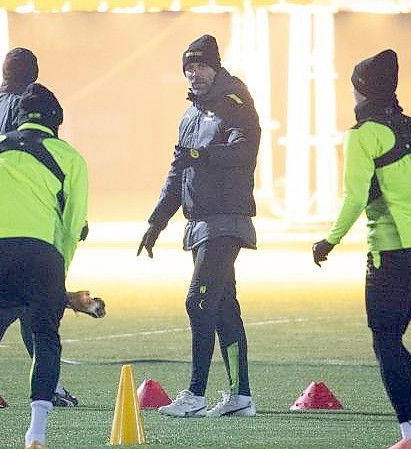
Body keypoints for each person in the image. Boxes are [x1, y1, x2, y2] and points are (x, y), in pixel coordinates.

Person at [312, 49, 411, 449]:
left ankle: (410, 434)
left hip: (388, 254)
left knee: (385, 342)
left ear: (361, 90)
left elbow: (355, 198)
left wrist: (330, 239)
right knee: (393, 339)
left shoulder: (362, 135)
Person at [0, 83, 88, 449]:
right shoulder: (69, 156)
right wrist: (57, 287)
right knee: (45, 332)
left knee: (12, 300)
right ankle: (36, 433)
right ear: (56, 122)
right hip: (39, 258)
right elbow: (72, 227)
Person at [137, 34, 259, 418]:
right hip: (200, 223)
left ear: (216, 66)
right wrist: (157, 222)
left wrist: (198, 154)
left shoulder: (236, 104)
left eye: (201, 66)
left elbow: (244, 153)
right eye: (189, 68)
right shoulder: (190, 115)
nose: (194, 74)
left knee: (198, 300)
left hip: (226, 220)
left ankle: (195, 394)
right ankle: (241, 398)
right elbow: (177, 172)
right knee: (223, 308)